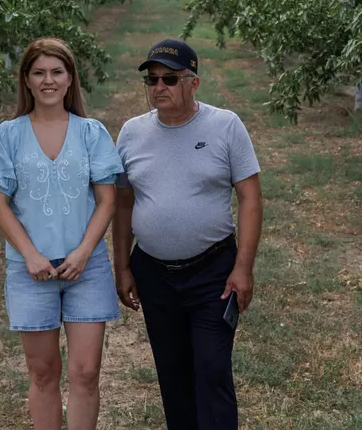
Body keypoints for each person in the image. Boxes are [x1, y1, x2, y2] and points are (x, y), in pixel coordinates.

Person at [112, 38, 264, 430]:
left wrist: (243, 267)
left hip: (213, 272)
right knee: (173, 373)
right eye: (152, 79)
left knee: (211, 370)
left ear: (193, 83)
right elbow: (123, 203)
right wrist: (122, 266)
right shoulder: (131, 133)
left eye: (169, 79)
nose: (158, 87)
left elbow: (250, 198)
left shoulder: (225, 125)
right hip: (154, 274)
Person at [0, 37, 124, 430]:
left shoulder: (91, 132)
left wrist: (82, 253)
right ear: (26, 80)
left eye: (57, 72)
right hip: (31, 271)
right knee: (43, 373)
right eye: (39, 72)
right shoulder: (8, 135)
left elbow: (107, 201)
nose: (48, 80)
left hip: (86, 269)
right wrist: (29, 254)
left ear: (70, 78)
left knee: (85, 372)